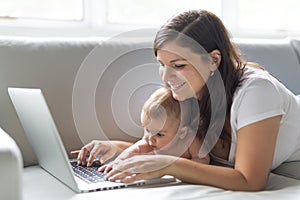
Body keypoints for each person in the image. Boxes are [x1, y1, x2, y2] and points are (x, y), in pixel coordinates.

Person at [71, 9, 300, 191]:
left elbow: (250, 180)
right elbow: (160, 148)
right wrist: (117, 150)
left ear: (213, 60)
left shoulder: (257, 92)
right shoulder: (186, 93)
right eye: (162, 64)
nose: (167, 77)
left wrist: (168, 166)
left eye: (179, 66)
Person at [99, 87, 209, 173]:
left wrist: (180, 169)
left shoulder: (190, 140)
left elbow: (203, 161)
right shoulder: (149, 141)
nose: (150, 138)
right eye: (147, 130)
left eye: (160, 134)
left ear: (182, 132)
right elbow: (133, 151)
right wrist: (118, 163)